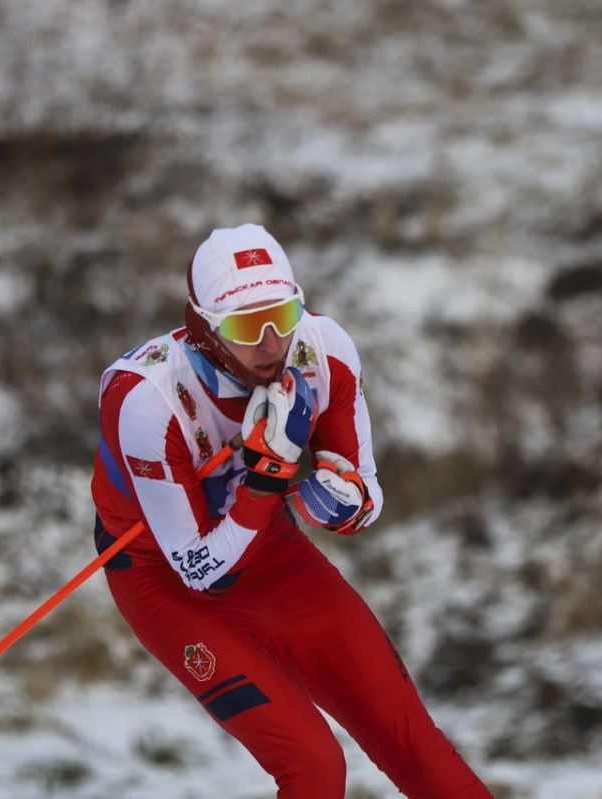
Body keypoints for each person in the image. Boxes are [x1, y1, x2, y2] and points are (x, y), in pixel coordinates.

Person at [90, 224, 493, 798]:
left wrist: (340, 503)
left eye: (283, 313)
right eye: (247, 326)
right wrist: (266, 480)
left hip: (270, 554)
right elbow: (199, 568)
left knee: (411, 738)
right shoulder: (146, 400)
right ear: (204, 327)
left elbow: (367, 494)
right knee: (314, 762)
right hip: (163, 577)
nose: (273, 342)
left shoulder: (323, 349)